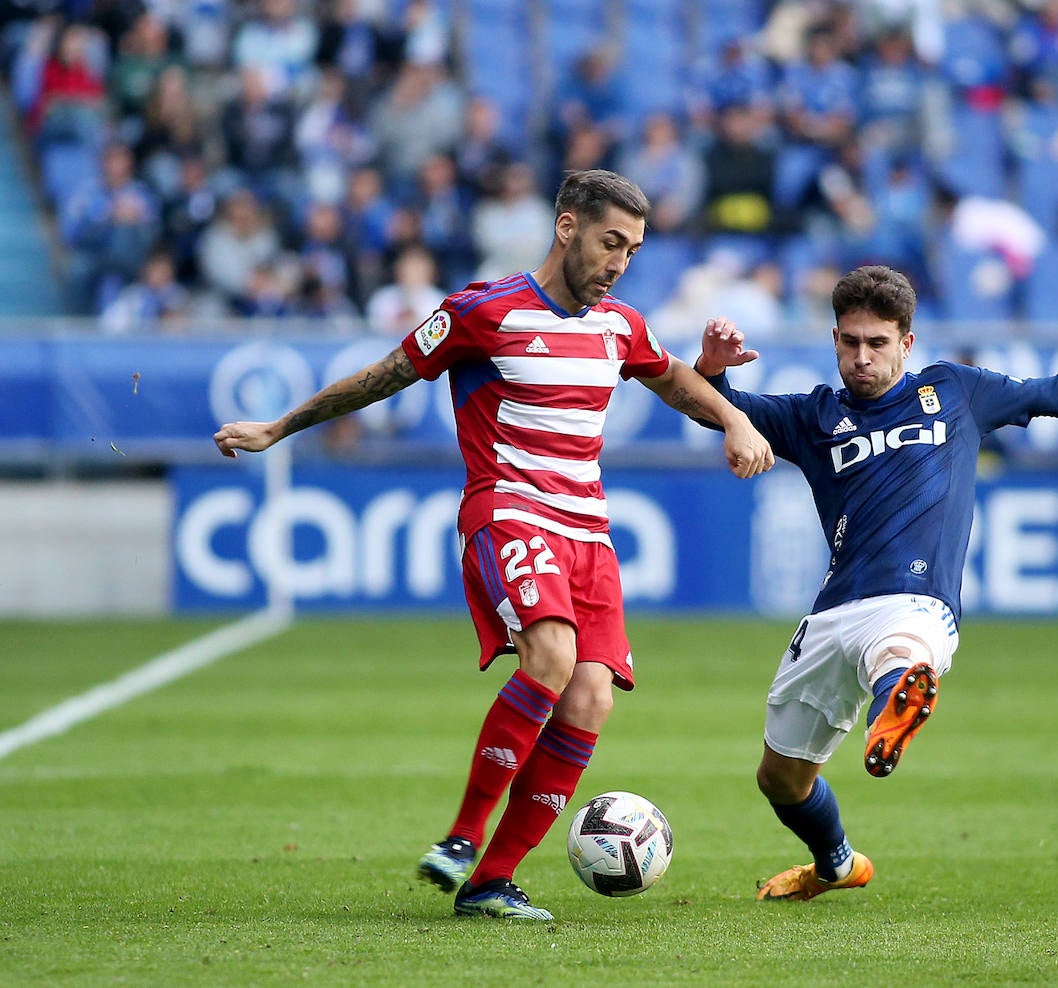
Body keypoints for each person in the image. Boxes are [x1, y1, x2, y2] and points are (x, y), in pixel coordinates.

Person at [213, 169, 774, 921]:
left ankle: (491, 883)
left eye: (634, 251)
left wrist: (734, 419)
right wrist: (281, 425)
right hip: (508, 510)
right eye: (611, 243)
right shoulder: (486, 310)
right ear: (567, 227)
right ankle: (462, 838)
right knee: (550, 652)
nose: (619, 263)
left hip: (589, 534)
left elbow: (672, 378)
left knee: (591, 697)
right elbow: (387, 374)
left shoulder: (620, 326)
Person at [689, 265, 1058, 902]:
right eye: (850, 342)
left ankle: (895, 711)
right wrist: (713, 371)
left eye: (877, 343)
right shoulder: (813, 417)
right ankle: (837, 863)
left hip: (918, 602)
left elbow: (1055, 392)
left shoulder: (956, 392)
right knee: (780, 779)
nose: (862, 357)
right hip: (833, 611)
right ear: (833, 340)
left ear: (906, 342)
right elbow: (721, 412)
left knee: (902, 651)